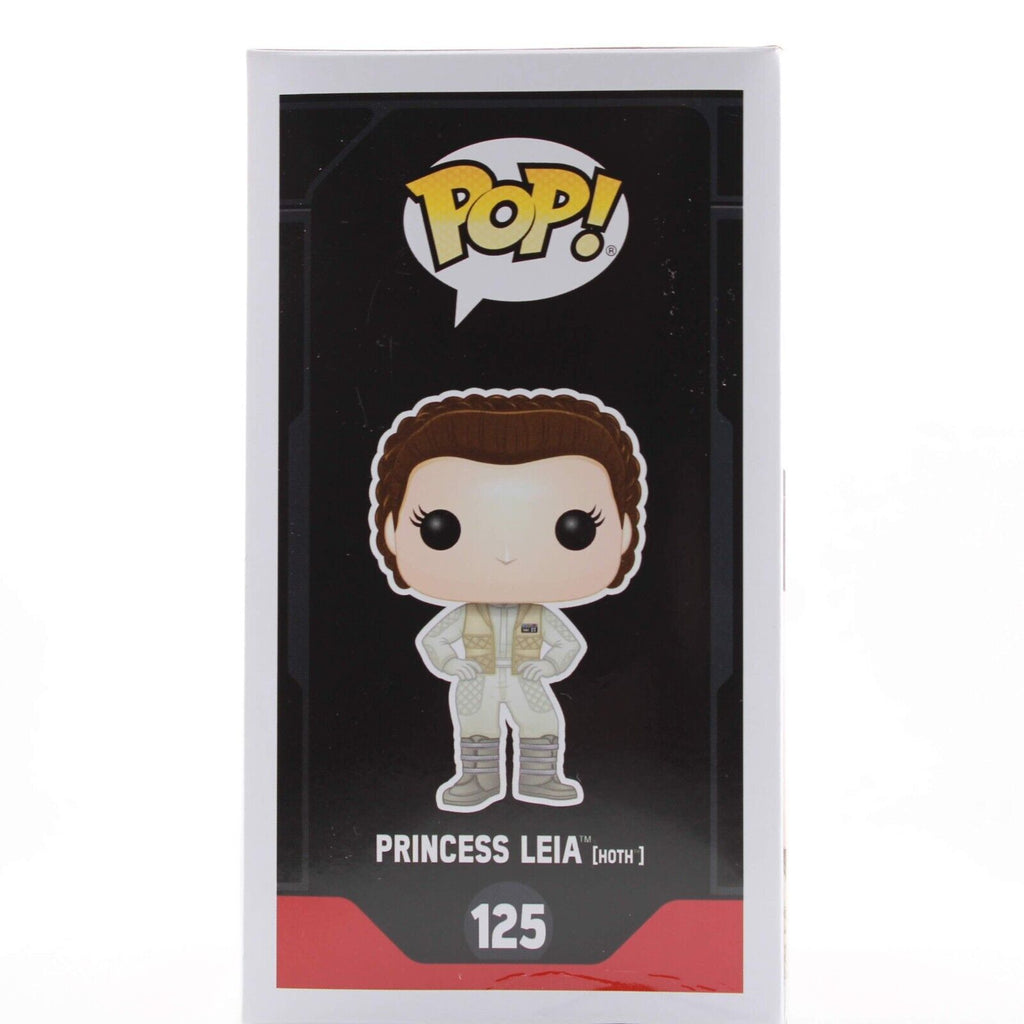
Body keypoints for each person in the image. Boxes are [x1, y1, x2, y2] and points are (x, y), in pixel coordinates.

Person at [369, 390, 646, 812]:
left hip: (525, 678)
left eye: (574, 528)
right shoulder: (466, 615)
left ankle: (540, 777)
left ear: (624, 533)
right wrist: (452, 664)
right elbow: (433, 641)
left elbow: (568, 644)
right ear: (391, 532)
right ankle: (476, 779)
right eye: (441, 527)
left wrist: (549, 666)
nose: (505, 555)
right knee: (475, 726)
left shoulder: (538, 615)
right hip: (476, 679)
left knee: (541, 722)